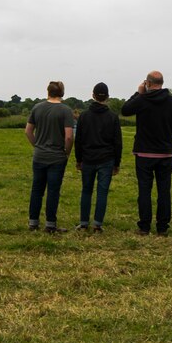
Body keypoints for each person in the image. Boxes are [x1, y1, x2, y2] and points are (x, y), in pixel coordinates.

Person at [121, 71, 172, 236]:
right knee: (164, 191)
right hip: (165, 153)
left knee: (144, 191)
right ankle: (162, 227)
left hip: (144, 153)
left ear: (148, 83)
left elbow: (125, 110)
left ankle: (144, 226)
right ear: (162, 82)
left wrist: (138, 93)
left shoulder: (142, 100)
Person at [25, 81, 75, 233]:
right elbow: (68, 137)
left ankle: (33, 222)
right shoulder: (65, 110)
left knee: (37, 190)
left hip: (39, 155)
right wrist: (66, 152)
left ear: (48, 91)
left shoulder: (37, 107)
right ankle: (50, 225)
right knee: (53, 191)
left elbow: (28, 131)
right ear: (62, 92)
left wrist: (37, 145)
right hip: (57, 157)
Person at [74, 82, 122, 232]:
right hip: (106, 160)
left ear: (93, 95)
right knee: (102, 192)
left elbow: (79, 140)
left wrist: (78, 159)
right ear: (107, 97)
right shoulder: (113, 117)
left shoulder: (84, 116)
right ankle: (97, 224)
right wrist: (117, 163)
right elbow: (117, 142)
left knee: (86, 190)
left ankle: (83, 223)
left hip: (87, 158)